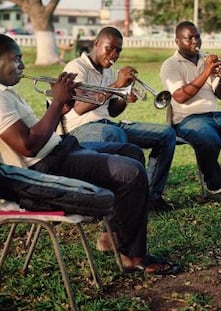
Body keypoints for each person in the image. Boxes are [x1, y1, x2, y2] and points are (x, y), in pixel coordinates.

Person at [0, 33, 180, 275]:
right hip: (44, 168)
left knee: (132, 152)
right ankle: (134, 255)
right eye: (16, 59)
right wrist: (56, 103)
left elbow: (37, 134)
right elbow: (28, 146)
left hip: (59, 148)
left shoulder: (8, 92)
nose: (22, 65)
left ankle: (111, 235)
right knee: (132, 173)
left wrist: (60, 108)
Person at [62, 26, 176, 212]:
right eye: (110, 48)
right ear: (96, 44)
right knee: (114, 134)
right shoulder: (76, 67)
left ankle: (151, 196)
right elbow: (80, 108)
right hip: (80, 129)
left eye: (119, 50)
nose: (114, 54)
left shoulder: (108, 70)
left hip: (109, 125)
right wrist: (116, 85)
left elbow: (112, 111)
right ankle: (120, 203)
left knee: (166, 134)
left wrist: (124, 97)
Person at [160, 21, 221, 198]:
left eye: (197, 36)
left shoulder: (205, 60)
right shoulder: (170, 65)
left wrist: (219, 77)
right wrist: (206, 72)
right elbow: (180, 96)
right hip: (187, 119)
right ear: (177, 41)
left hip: (216, 115)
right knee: (210, 140)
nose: (195, 41)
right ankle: (215, 185)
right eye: (189, 38)